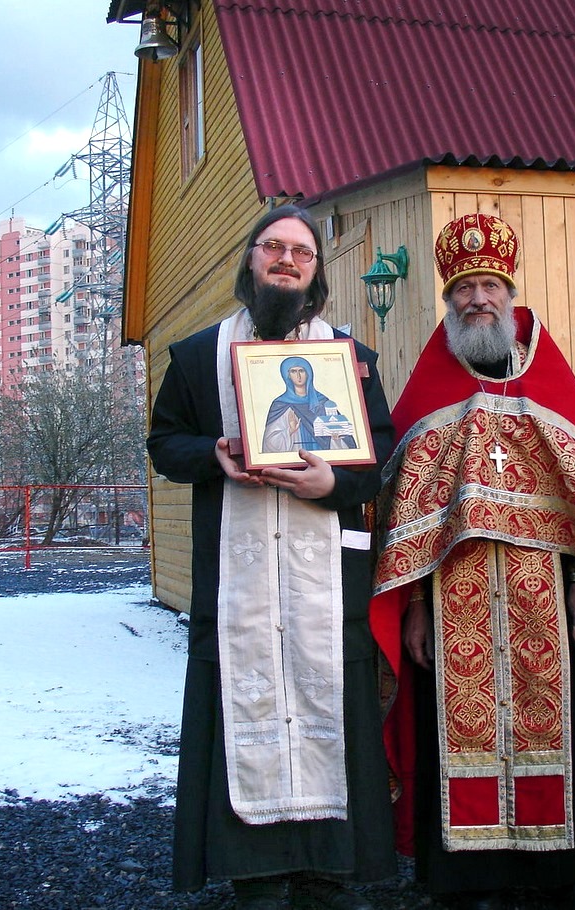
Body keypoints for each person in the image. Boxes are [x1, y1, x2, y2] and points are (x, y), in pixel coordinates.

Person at [370, 214, 575, 910]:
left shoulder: (551, 387)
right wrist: (414, 606)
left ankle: (561, 875)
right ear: (449, 301)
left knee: (559, 725)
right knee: (451, 730)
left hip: (544, 593)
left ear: (506, 295)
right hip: (454, 602)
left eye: (489, 285)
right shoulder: (427, 393)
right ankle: (464, 878)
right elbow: (403, 518)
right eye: (464, 288)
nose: (478, 298)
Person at [147, 204, 397, 910]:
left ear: (316, 274)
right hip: (238, 586)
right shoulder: (198, 358)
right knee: (243, 707)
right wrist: (214, 454)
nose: (286, 260)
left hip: (325, 588)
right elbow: (165, 445)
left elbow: (376, 459)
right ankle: (256, 873)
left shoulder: (349, 361)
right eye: (274, 247)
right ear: (250, 259)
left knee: (332, 711)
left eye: (302, 253)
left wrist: (331, 483)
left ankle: (328, 870)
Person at [263, 356, 356, 453]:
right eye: (293, 371)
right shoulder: (280, 405)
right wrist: (290, 430)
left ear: (308, 374)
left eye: (302, 371)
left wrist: (335, 438)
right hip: (294, 462)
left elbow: (345, 441)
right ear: (287, 376)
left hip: (325, 463)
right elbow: (270, 443)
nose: (298, 376)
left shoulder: (323, 403)